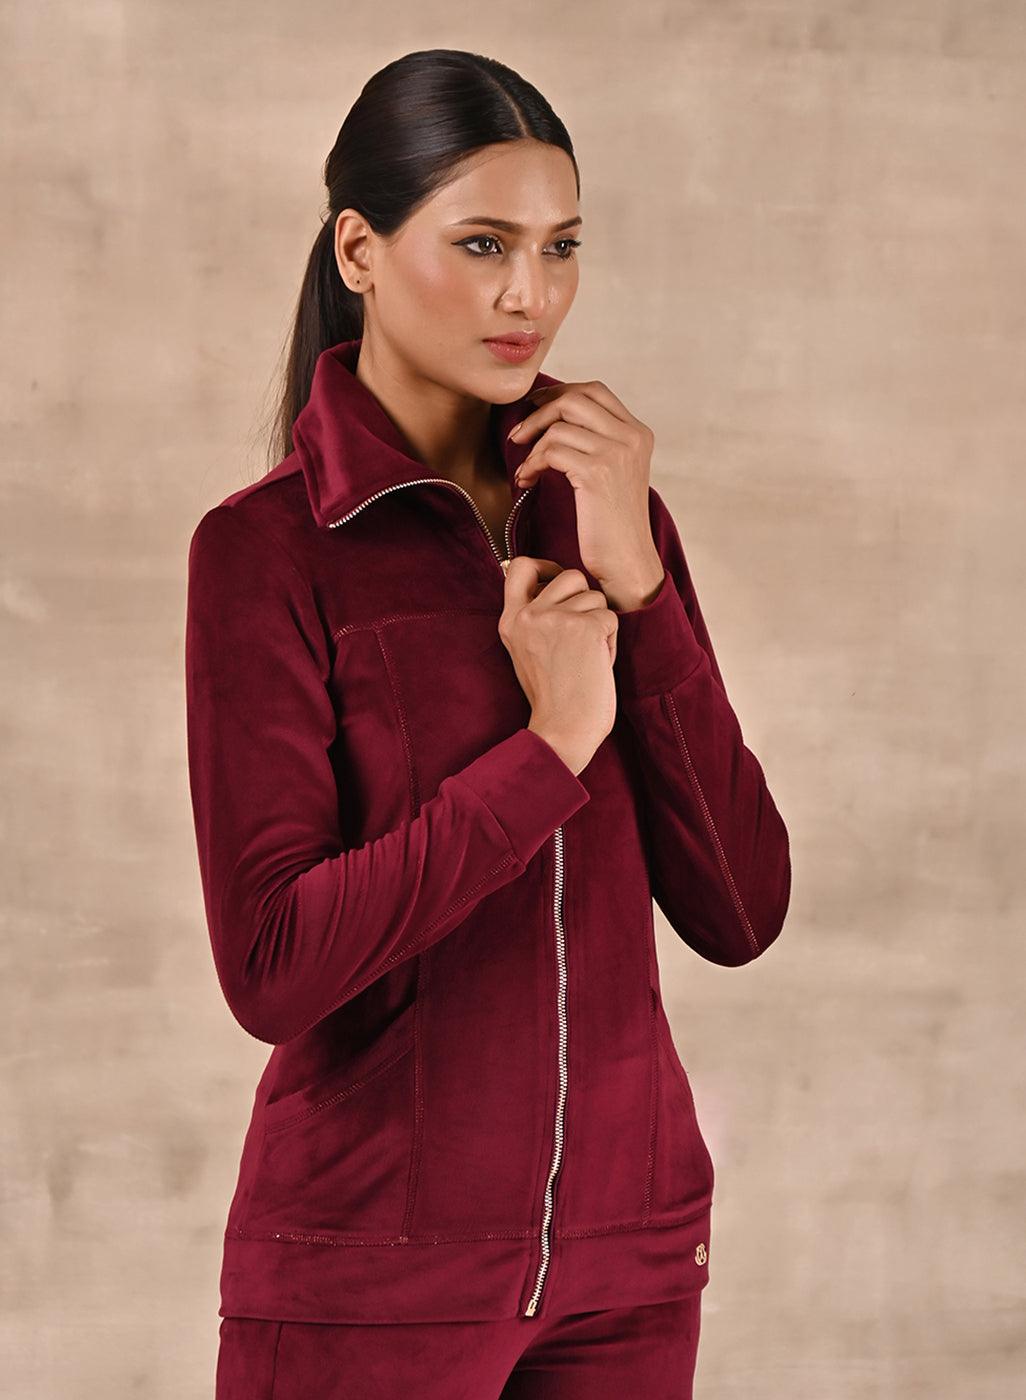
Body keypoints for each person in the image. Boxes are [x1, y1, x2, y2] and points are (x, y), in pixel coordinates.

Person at [185, 46, 792, 1400]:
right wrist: (548, 750)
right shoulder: (270, 550)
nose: (532, 294)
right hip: (369, 1283)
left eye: (560, 246)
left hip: (627, 1277)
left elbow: (742, 907)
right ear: (360, 249)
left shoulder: (608, 515)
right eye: (482, 244)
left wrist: (641, 586)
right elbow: (273, 967)